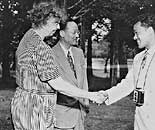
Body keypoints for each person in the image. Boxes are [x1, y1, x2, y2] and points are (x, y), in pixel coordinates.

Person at [10, 1, 101, 130]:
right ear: (44, 20)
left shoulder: (27, 38)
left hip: (21, 104)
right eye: (55, 23)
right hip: (37, 109)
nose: (58, 27)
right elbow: (58, 84)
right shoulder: (42, 48)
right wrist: (91, 95)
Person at [99, 14, 155, 130]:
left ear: (150, 31)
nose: (135, 37)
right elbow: (128, 84)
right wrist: (107, 95)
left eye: (137, 33)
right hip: (140, 123)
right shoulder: (139, 58)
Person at [52, 21, 89, 130]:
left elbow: (84, 81)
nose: (77, 35)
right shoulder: (51, 54)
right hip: (61, 116)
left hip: (79, 115)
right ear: (62, 33)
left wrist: (86, 102)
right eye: (74, 32)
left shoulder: (79, 53)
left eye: (78, 32)